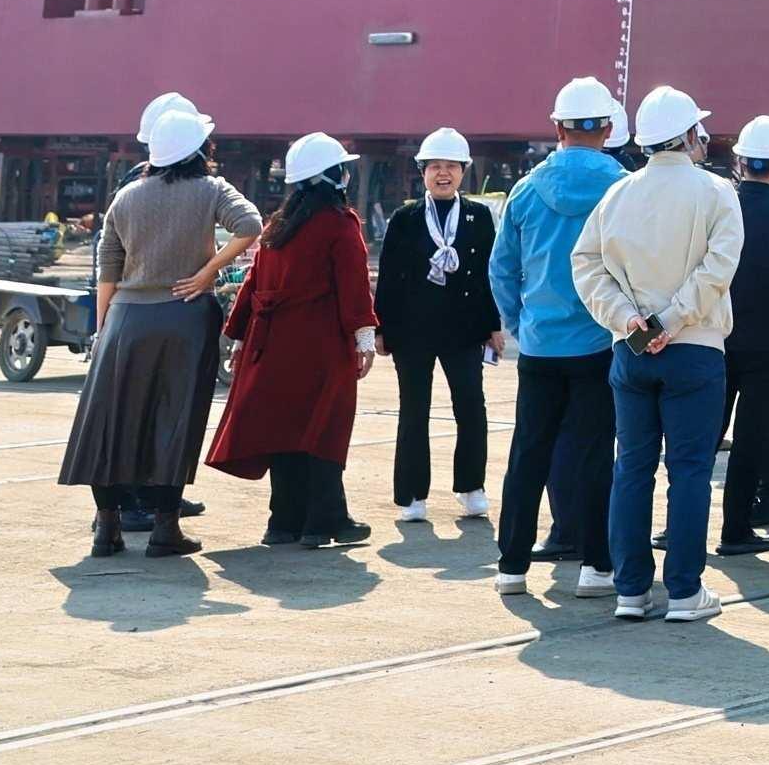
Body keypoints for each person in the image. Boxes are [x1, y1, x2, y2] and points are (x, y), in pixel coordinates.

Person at [568, 84, 743, 622]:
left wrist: (629, 319)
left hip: (632, 350)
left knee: (632, 468)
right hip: (696, 349)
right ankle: (685, 592)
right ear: (690, 135)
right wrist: (673, 319)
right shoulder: (716, 192)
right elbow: (719, 267)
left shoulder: (618, 195)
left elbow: (586, 264)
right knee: (689, 472)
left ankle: (630, 590)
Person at [61, 98, 258, 558]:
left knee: (110, 421)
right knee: (175, 418)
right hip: (186, 315)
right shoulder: (212, 189)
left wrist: (105, 328)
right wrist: (209, 272)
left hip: (126, 318)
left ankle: (106, 529)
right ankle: (165, 530)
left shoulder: (127, 196)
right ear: (200, 149)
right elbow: (251, 224)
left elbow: (108, 266)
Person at [491, 75, 630, 597]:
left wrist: (521, 323)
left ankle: (511, 567)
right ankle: (597, 566)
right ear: (608, 129)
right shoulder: (623, 187)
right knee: (596, 454)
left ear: (557, 128)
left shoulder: (527, 190)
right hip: (602, 342)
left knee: (528, 453)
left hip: (540, 345)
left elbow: (501, 269)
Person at [208, 132, 380, 550]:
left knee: (284, 431)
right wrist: (364, 336)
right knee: (324, 430)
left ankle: (283, 522)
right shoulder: (340, 224)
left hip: (271, 345)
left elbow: (253, 283)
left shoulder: (277, 227)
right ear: (333, 176)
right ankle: (323, 522)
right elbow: (354, 285)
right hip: (321, 345)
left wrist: (238, 336)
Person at [375, 126, 499, 523]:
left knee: (471, 406)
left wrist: (494, 324)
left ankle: (471, 486)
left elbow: (489, 275)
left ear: (464, 171)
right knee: (414, 409)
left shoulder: (479, 216)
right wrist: (381, 328)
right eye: (434, 166)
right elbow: (388, 276)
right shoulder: (405, 218)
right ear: (422, 172)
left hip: (464, 330)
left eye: (451, 166)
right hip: (412, 331)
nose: (443, 173)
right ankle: (412, 495)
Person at [718, 114, 769, 554]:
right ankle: (736, 528)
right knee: (751, 440)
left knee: (700, 437)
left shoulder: (717, 208)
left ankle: (677, 526)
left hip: (713, 339)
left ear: (740, 162)